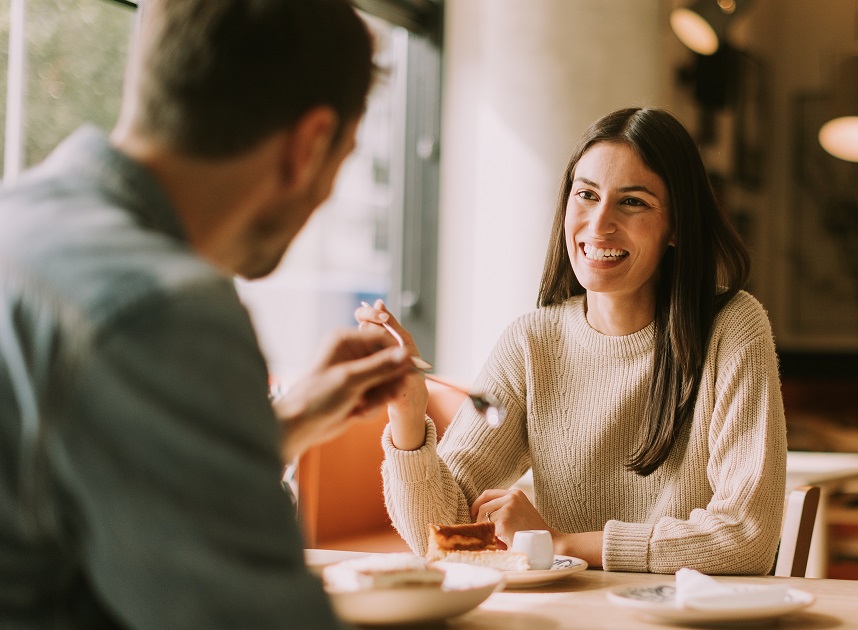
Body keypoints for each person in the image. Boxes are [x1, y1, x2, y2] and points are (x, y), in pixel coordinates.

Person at [0, 1, 423, 627]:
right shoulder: (163, 311)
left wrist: (290, 419)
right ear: (309, 147)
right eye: (348, 153)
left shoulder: (19, 223)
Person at [358, 107, 788, 575]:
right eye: (586, 195)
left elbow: (747, 538)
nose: (599, 224)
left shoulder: (732, 328)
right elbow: (440, 534)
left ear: (678, 226)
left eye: (633, 202)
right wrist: (406, 413)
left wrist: (563, 542)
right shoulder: (531, 343)